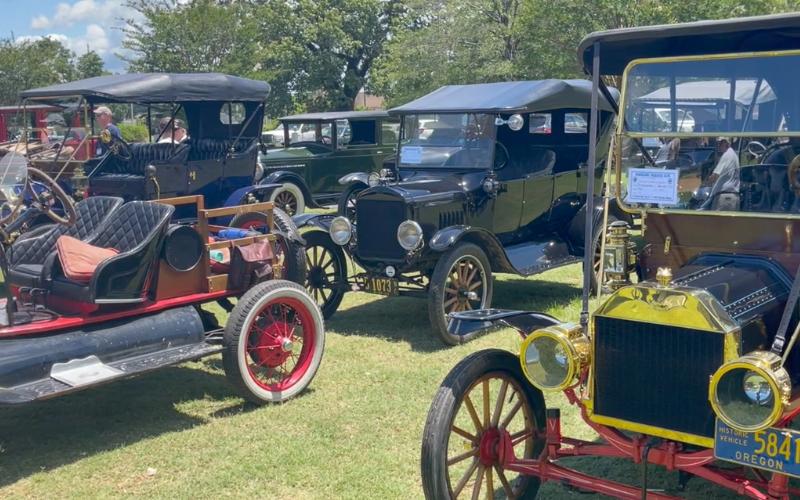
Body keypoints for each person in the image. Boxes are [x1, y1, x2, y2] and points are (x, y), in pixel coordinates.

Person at [704, 136, 740, 210]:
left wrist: (706, 183)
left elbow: (715, 175)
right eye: (718, 143)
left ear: (726, 143)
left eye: (720, 143)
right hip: (734, 197)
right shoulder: (734, 155)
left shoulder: (726, 155)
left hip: (724, 198)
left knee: (716, 221)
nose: (718, 145)